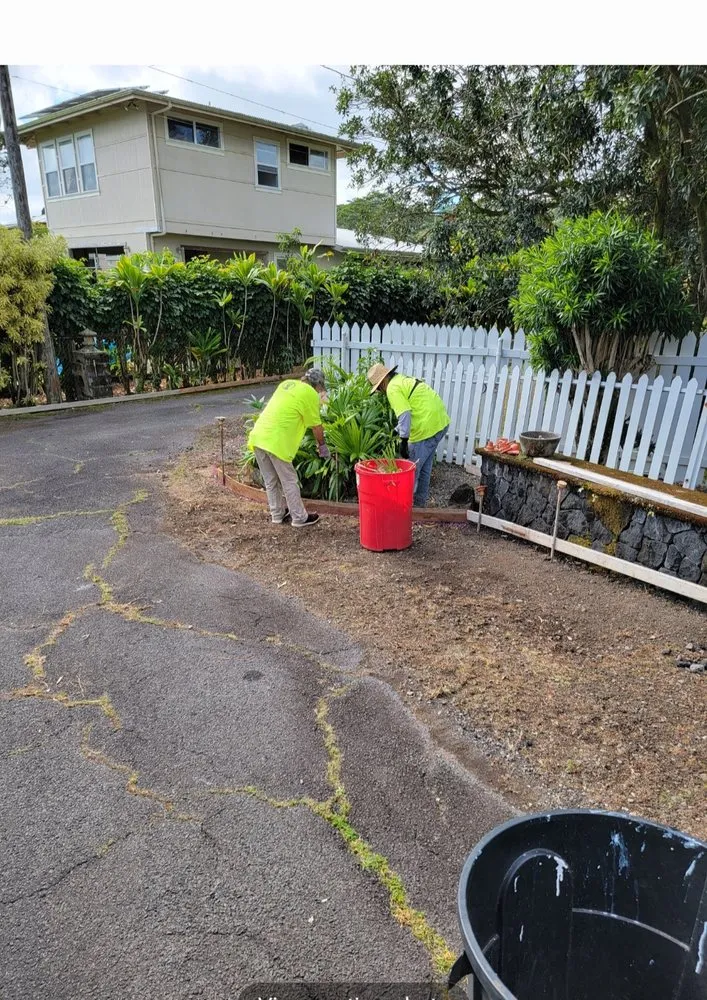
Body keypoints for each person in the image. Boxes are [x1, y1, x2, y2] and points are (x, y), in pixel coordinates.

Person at [247, 368, 330, 528]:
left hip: (259, 435)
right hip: (277, 441)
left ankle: (277, 514)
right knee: (289, 480)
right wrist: (323, 447)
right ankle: (299, 518)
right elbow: (316, 427)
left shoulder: (286, 384)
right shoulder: (310, 394)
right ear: (318, 385)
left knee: (271, 480)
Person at [367, 363, 450, 508]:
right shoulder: (401, 379)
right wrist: (397, 430)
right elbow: (412, 407)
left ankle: (402, 508)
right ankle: (419, 506)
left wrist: (404, 442)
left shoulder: (392, 388)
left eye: (379, 387)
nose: (380, 391)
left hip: (427, 427)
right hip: (440, 422)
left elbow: (404, 413)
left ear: (383, 381)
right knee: (424, 467)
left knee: (408, 471)